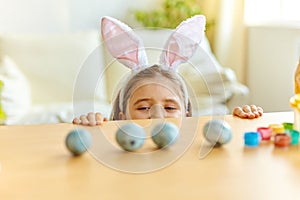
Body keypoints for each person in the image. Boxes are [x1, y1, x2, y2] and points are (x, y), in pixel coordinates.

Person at [73, 15, 263, 126]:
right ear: (123, 117)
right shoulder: (117, 145)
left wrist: (240, 122)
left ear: (187, 115)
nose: (157, 116)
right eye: (144, 108)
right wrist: (90, 126)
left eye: (170, 108)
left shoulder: (196, 142)